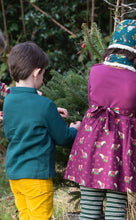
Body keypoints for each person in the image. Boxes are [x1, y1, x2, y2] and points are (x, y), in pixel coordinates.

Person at [64, 19, 136, 220]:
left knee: (88, 211)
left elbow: (91, 104)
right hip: (121, 148)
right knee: (116, 210)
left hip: (90, 145)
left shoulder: (95, 71)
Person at [3, 41, 81, 220]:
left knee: (25, 216)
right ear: (36, 72)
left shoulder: (9, 100)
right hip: (37, 176)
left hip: (15, 175)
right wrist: (74, 129)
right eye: (43, 74)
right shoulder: (45, 105)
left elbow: (12, 131)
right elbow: (63, 138)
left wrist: (51, 115)